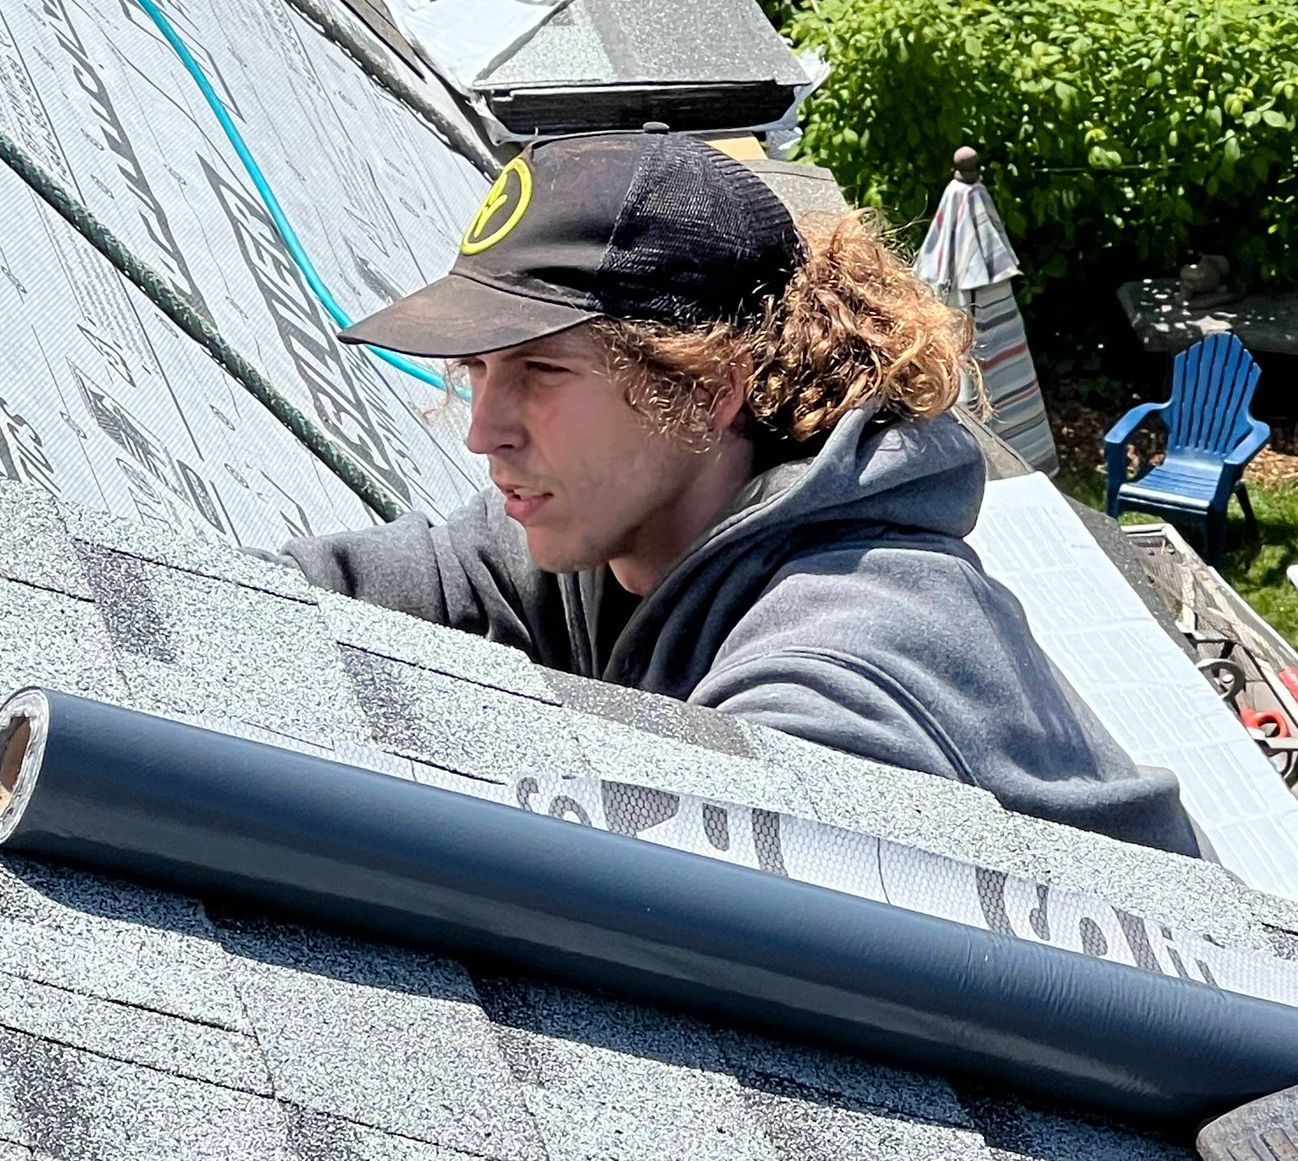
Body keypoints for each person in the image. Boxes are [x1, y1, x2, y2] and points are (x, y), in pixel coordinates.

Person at [287, 128, 1198, 854]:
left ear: (710, 388)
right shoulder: (594, 525)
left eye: (542, 370)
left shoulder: (848, 655)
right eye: (480, 369)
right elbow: (319, 594)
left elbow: (710, 872)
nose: (487, 431)